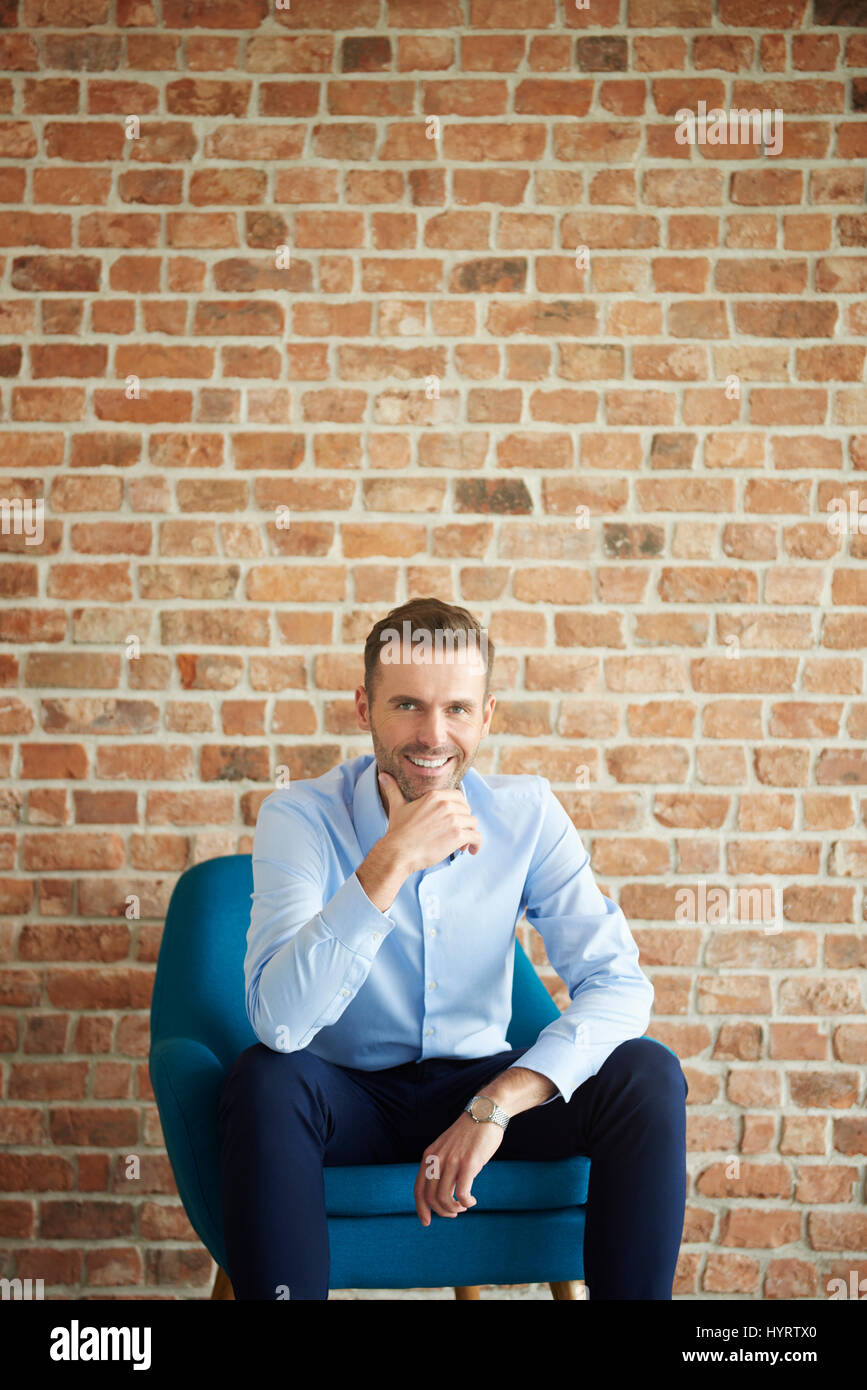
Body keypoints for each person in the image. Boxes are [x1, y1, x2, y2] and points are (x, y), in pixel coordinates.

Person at [218, 597, 688, 1300]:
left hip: (477, 1080)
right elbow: (280, 1023)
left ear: (487, 715)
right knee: (262, 1078)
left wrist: (494, 1105)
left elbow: (619, 986)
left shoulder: (528, 815)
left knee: (645, 1074)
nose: (432, 735)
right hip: (348, 1098)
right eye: (406, 704)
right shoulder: (300, 817)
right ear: (363, 708)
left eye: (457, 710)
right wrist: (390, 860)